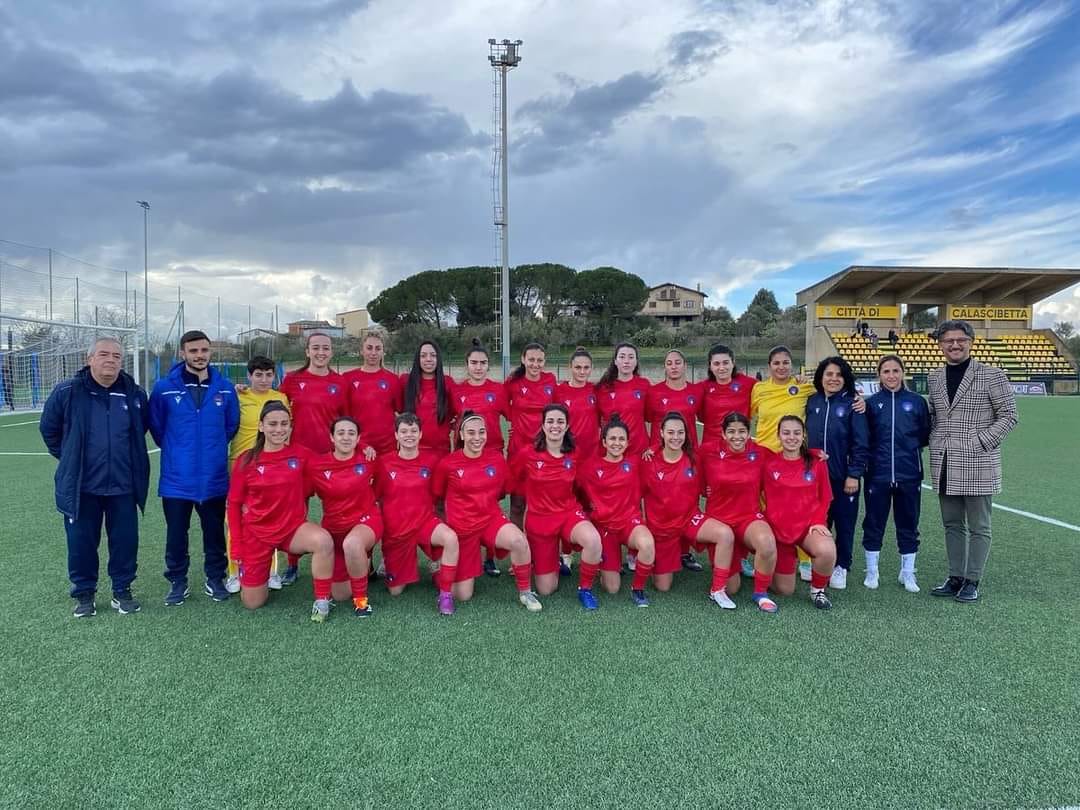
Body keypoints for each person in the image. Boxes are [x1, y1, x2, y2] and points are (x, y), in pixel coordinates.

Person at [40, 337, 151, 618]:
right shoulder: (67, 391)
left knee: (125, 542)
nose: (110, 360)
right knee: (81, 543)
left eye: (116, 356)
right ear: (89, 359)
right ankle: (84, 594)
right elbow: (49, 431)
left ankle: (122, 590)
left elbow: (141, 431)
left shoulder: (135, 394)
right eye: (104, 354)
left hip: (123, 486)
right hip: (82, 487)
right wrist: (70, 460)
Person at [927, 320, 1017, 603]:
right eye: (949, 340)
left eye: (960, 339)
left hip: (978, 462)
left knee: (980, 526)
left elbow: (1009, 415)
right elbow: (934, 415)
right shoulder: (935, 377)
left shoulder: (992, 375)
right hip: (945, 463)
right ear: (940, 345)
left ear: (971, 342)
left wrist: (980, 442)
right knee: (952, 524)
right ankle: (955, 577)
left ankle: (972, 580)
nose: (955, 344)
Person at [148, 330, 239, 607]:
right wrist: (180, 452)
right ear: (182, 353)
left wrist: (210, 452)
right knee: (176, 534)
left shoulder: (224, 387)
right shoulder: (164, 388)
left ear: (210, 353)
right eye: (193, 351)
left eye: (204, 351)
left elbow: (231, 426)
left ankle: (215, 578)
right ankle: (177, 581)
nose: (199, 356)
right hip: (178, 478)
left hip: (213, 478)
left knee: (213, 532)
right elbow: (157, 427)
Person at [225, 402, 337, 622]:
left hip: (291, 529)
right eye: (273, 424)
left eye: (284, 424)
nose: (279, 429)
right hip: (256, 533)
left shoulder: (301, 455)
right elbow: (234, 504)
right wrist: (237, 545)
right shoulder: (246, 460)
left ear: (290, 427)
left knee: (323, 541)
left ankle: (322, 600)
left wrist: (364, 449)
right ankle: (259, 572)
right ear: (261, 426)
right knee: (253, 603)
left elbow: (333, 462)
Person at [432, 411, 542, 611]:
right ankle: (442, 568)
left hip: (490, 520)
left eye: (481, 432)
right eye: (471, 433)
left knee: (518, 541)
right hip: (462, 528)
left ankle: (526, 592)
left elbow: (503, 490)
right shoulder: (448, 464)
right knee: (463, 595)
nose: (477, 438)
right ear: (462, 435)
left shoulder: (497, 460)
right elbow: (438, 498)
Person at [510, 403, 603, 608]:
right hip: (540, 520)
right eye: (550, 421)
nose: (555, 426)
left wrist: (590, 509)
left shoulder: (574, 453)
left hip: (568, 513)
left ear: (567, 425)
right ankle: (548, 560)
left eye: (560, 421)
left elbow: (581, 485)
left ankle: (585, 589)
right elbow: (510, 479)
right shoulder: (528, 453)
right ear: (542, 426)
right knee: (547, 589)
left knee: (593, 540)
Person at [640, 412, 738, 607]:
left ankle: (717, 590)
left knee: (725, 534)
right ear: (661, 433)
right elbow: (636, 495)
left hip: (689, 519)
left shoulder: (695, 457)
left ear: (686, 434)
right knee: (662, 586)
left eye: (680, 432)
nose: (676, 437)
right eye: (670, 432)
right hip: (662, 528)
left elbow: (726, 451)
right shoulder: (648, 461)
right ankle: (664, 558)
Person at [278, 331, 348, 585]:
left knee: (339, 509)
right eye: (316, 348)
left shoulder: (340, 383)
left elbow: (346, 420)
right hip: (299, 458)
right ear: (307, 351)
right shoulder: (292, 380)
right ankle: (292, 565)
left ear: (332, 352)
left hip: (331, 459)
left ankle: (340, 557)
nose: (321, 352)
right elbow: (273, 406)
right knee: (297, 510)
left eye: (326, 348)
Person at [374, 413, 461, 615]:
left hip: (424, 523)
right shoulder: (383, 463)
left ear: (421, 434)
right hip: (397, 531)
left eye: (413, 431)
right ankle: (395, 562)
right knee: (395, 591)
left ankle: (445, 595)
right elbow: (376, 497)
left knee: (450, 538)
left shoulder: (432, 461)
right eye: (403, 431)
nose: (409, 435)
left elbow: (439, 493)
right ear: (396, 435)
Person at [698, 413, 779, 613]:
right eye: (731, 432)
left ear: (748, 433)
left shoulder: (759, 452)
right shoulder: (708, 451)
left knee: (767, 544)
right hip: (719, 522)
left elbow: (789, 456)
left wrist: (813, 454)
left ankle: (761, 593)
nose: (737, 436)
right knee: (732, 588)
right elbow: (681, 454)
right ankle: (730, 569)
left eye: (742, 431)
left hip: (748, 517)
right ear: (723, 434)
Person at [862, 355, 930, 592]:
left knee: (908, 523)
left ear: (903, 372)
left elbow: (923, 436)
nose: (891, 375)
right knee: (873, 522)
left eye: (895, 370)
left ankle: (908, 573)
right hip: (877, 474)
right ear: (879, 375)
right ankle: (872, 572)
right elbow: (865, 438)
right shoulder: (871, 404)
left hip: (909, 474)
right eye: (886, 371)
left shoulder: (917, 402)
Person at [576, 415, 657, 607]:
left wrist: (653, 448)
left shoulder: (636, 463)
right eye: (612, 438)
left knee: (647, 543)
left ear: (628, 442)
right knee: (612, 588)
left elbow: (664, 451)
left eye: (621, 439)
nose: (617, 443)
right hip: (604, 527)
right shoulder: (590, 467)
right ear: (604, 441)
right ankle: (602, 566)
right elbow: (575, 490)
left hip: (629, 523)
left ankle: (637, 589)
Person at [225, 355, 289, 593]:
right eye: (258, 375)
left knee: (268, 518)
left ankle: (271, 571)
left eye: (268, 375)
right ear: (249, 376)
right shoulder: (238, 396)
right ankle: (234, 572)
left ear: (274, 376)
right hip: (241, 466)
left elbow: (285, 432)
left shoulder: (280, 398)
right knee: (235, 519)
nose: (264, 379)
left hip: (271, 468)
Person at [307, 417, 383, 617]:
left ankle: (361, 601)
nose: (346, 437)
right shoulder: (317, 465)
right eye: (340, 433)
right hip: (334, 529)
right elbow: (300, 491)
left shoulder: (369, 459)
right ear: (331, 437)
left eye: (351, 433)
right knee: (340, 594)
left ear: (359, 439)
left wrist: (366, 447)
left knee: (353, 543)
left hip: (365, 521)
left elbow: (382, 486)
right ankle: (361, 562)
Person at [805, 356, 869, 590]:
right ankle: (821, 562)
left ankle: (842, 565)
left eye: (838, 375)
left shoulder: (853, 404)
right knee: (819, 520)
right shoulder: (812, 401)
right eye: (829, 374)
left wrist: (854, 474)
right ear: (821, 377)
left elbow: (861, 443)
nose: (833, 379)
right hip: (815, 477)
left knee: (844, 523)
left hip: (844, 478)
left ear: (846, 378)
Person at [762, 415, 836, 610]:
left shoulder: (817, 461)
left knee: (827, 550)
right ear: (778, 435)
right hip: (778, 531)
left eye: (796, 433)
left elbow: (825, 497)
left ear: (803, 435)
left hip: (807, 528)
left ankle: (817, 590)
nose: (791, 437)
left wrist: (819, 522)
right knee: (785, 591)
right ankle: (770, 567)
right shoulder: (768, 463)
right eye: (786, 433)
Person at [456, 339, 512, 578]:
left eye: (483, 363)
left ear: (488, 366)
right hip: (466, 459)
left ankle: (490, 557)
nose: (478, 367)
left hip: (492, 456)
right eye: (474, 363)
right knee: (468, 505)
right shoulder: (457, 391)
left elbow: (512, 416)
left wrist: (515, 430)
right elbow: (449, 419)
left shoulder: (498, 389)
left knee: (491, 504)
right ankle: (466, 554)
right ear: (467, 364)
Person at [504, 342, 556, 531]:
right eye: (531, 359)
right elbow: (502, 405)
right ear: (523, 359)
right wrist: (515, 424)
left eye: (540, 360)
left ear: (544, 361)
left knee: (543, 505)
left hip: (544, 451)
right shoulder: (513, 382)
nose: (535, 364)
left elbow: (557, 412)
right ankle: (518, 550)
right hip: (518, 450)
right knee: (517, 504)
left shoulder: (550, 380)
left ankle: (541, 548)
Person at [344, 332, 401, 456]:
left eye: (378, 348)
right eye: (369, 348)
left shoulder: (393, 379)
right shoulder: (348, 378)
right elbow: (345, 416)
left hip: (387, 448)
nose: (373, 353)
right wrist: (359, 443)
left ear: (383, 352)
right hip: (358, 445)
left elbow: (400, 412)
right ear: (361, 351)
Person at [401, 340, 456, 459]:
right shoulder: (406, 382)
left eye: (433, 355)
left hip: (441, 451)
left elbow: (457, 412)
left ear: (438, 359)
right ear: (417, 359)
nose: (428, 359)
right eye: (423, 355)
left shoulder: (448, 383)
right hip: (413, 451)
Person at [595, 342, 650, 457]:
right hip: (611, 451)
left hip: (638, 451)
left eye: (631, 357)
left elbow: (650, 416)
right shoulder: (602, 388)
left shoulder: (644, 385)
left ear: (636, 362)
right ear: (615, 361)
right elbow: (596, 421)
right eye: (622, 356)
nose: (626, 361)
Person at [699, 343, 756, 446]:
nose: (721, 368)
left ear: (733, 363)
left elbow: (772, 386)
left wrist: (794, 380)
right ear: (710, 366)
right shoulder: (701, 388)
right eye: (716, 364)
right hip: (712, 448)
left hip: (740, 446)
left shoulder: (748, 383)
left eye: (725, 363)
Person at [647, 350, 701, 449]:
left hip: (689, 452)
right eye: (669, 363)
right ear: (665, 367)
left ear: (685, 366)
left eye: (678, 362)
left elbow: (703, 417)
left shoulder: (697, 391)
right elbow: (647, 418)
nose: (673, 367)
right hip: (659, 452)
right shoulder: (653, 392)